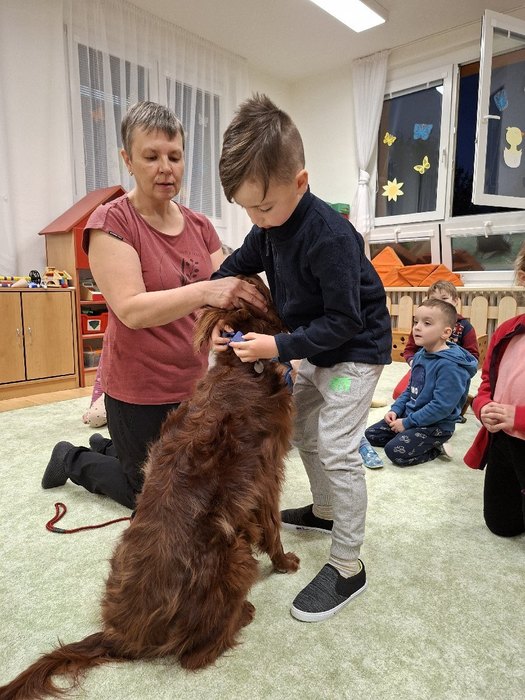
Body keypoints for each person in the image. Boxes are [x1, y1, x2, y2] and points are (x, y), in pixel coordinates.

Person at [211, 94, 392, 622]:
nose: (256, 219)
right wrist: (218, 312)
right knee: (304, 433)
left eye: (264, 207)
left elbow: (346, 321)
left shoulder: (330, 236)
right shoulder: (267, 228)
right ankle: (325, 510)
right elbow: (232, 269)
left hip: (354, 353)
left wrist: (277, 347)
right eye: (247, 209)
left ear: (301, 182)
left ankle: (348, 564)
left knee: (336, 446)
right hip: (314, 347)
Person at [41, 101, 266, 510]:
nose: (166, 168)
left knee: (202, 480)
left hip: (192, 384)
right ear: (127, 160)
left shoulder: (200, 226)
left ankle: (112, 447)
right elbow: (132, 310)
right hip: (137, 391)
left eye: (174, 157)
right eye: (151, 157)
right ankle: (72, 458)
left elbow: (219, 299)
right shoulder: (111, 223)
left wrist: (222, 325)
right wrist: (205, 292)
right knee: (154, 497)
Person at [359, 280, 480, 468]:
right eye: (416, 322)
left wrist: (407, 423)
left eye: (426, 323)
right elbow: (410, 390)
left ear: (446, 333)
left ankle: (436, 447)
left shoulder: (450, 366)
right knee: (372, 434)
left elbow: (441, 407)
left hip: (435, 425)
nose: (417, 327)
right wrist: (395, 410)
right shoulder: (421, 355)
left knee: (395, 452)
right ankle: (411, 435)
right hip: (412, 415)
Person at [464, 243, 525, 536]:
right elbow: (487, 382)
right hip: (502, 439)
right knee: (501, 525)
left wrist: (519, 417)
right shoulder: (507, 331)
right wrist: (483, 406)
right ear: (523, 277)